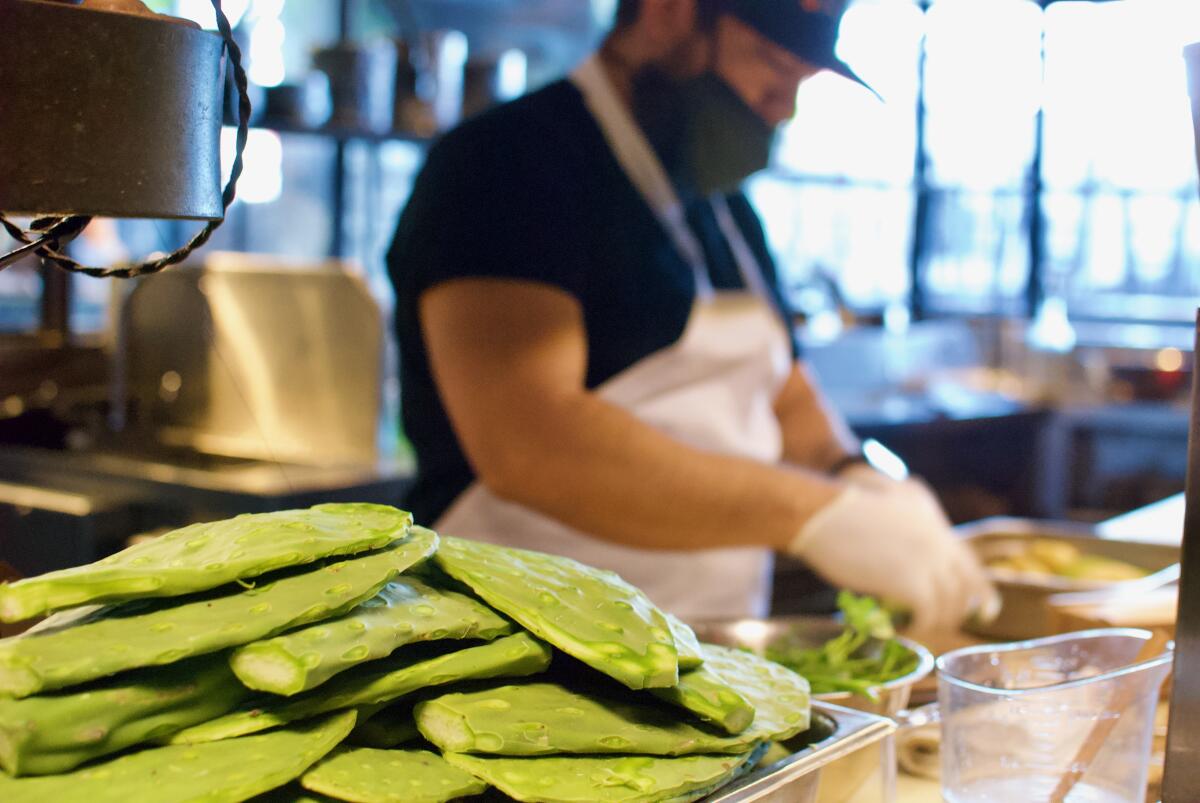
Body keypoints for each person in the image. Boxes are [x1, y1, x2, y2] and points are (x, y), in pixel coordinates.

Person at [387, 0, 997, 633]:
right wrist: (815, 515)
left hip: (705, 648)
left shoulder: (724, 208)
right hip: (514, 649)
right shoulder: (507, 165)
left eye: (798, 85)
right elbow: (530, 441)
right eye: (770, 66)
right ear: (670, 13)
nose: (780, 108)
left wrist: (862, 479)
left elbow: (786, 399)